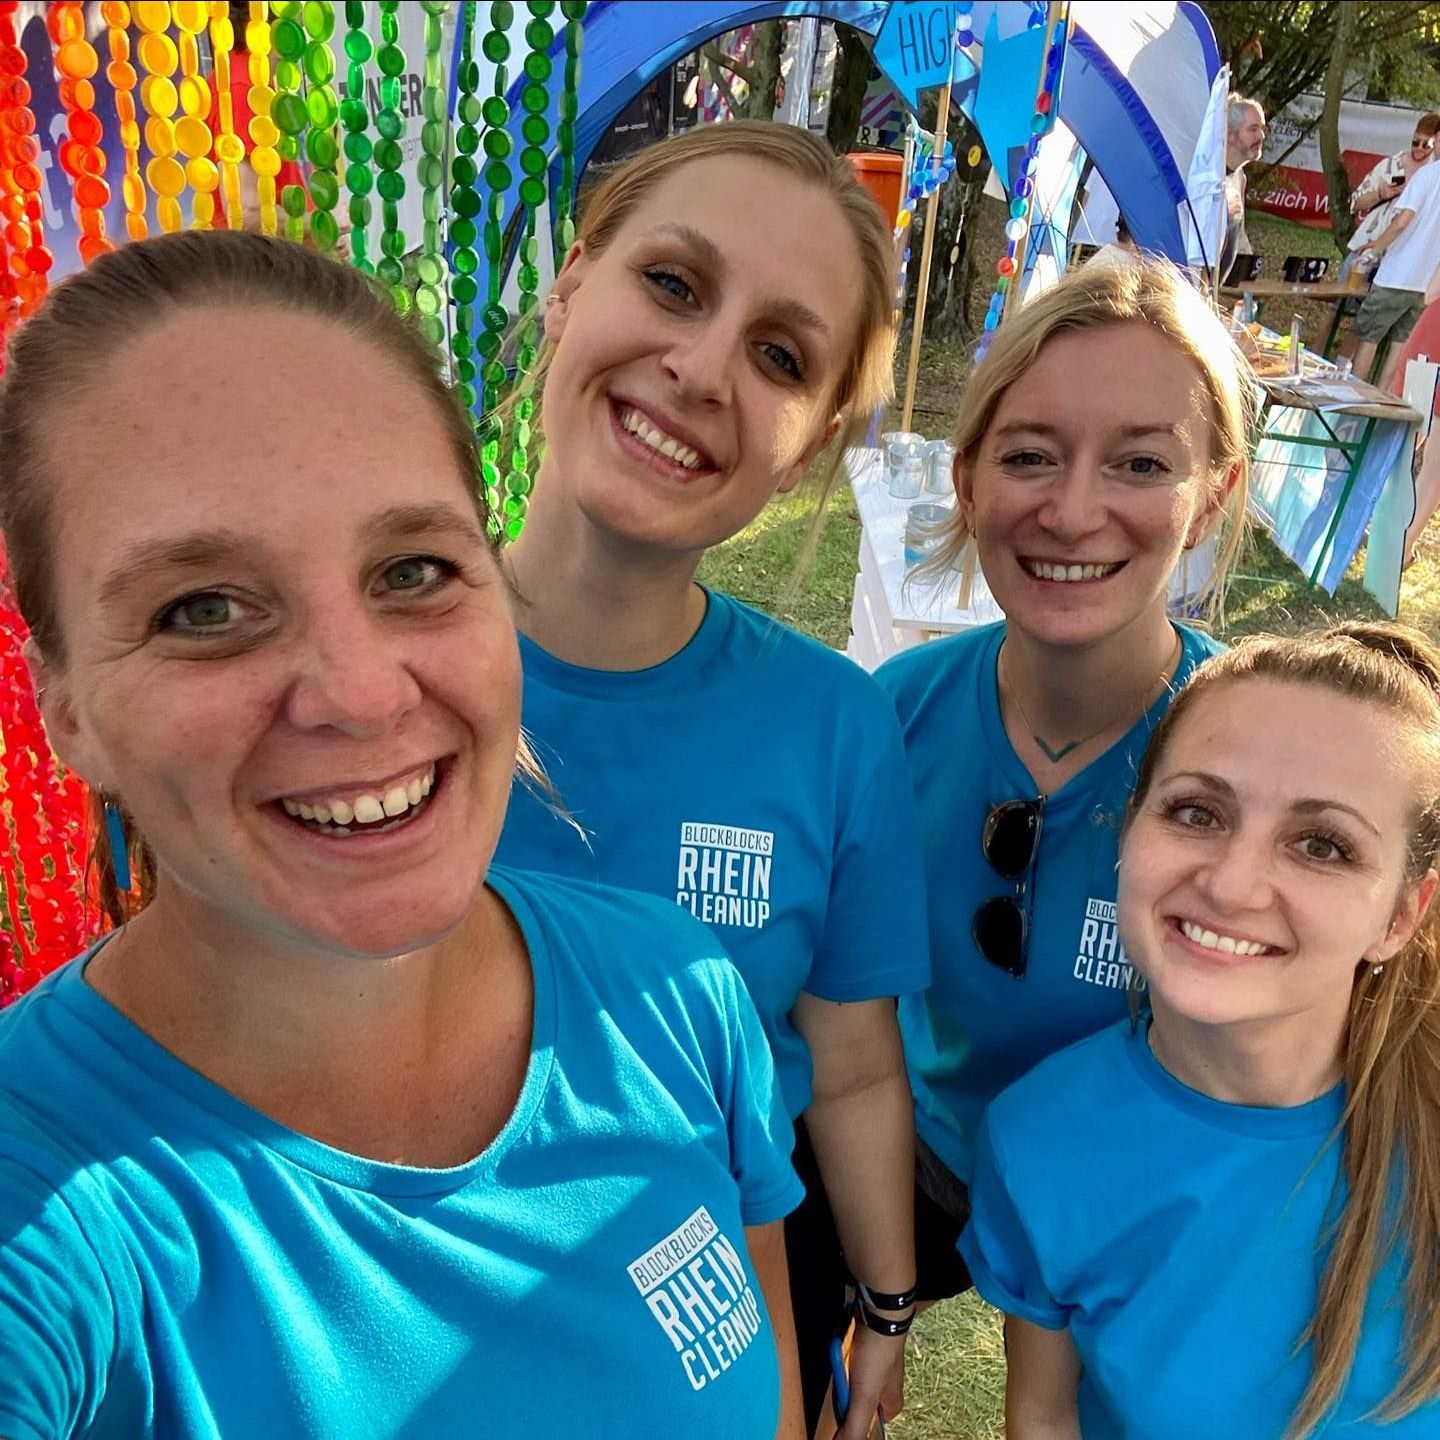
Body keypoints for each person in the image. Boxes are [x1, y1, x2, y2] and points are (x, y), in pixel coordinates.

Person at [0, 230, 809, 1438]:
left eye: (413, 570)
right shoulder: (47, 1220)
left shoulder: (678, 996)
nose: (364, 695)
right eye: (204, 608)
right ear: (67, 709)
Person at [493, 121, 929, 1438]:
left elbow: (851, 1066)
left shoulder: (833, 728)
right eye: (674, 284)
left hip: (720, 1316)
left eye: (779, 355)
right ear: (571, 285)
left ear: (809, 444)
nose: (699, 367)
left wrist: (887, 1306)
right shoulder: (371, 669)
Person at [875, 259, 1253, 1303]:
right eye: (1031, 456)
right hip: (929, 1155)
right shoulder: (892, 719)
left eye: (1141, 464)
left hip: (1147, 1213)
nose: (1075, 512)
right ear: (968, 483)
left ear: (1212, 497)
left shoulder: (1255, 756)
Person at [963, 623, 1440, 1438]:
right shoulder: (1040, 1138)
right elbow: (1043, 1416)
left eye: (1321, 845)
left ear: (1401, 915)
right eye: (1197, 812)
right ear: (1129, 830)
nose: (1231, 885)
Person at [1350, 153, 1440, 387]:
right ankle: (1381, 402)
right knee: (1399, 346)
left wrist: (1376, 248)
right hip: (1426, 283)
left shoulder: (1427, 174)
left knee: (1369, 338)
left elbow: (1402, 220)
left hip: (1397, 274)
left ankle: (1351, 397)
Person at [1344, 110, 1440, 277]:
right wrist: (1380, 194)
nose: (1418, 148)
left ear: (1436, 141)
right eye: (1415, 142)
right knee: (1344, 292)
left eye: (1426, 145)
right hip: (1366, 247)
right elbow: (1355, 203)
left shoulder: (1433, 176)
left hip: (1400, 259)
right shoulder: (1390, 165)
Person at [1221, 94, 1266, 280]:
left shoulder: (1240, 178)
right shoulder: (1209, 178)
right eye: (1253, 129)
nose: (1261, 136)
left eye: (1262, 129)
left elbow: (1237, 234)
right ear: (1230, 134)